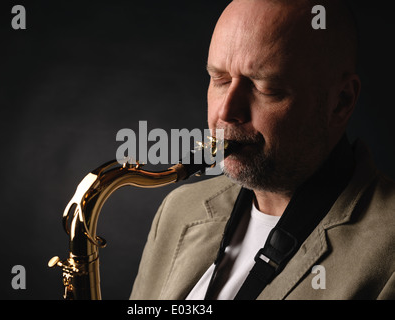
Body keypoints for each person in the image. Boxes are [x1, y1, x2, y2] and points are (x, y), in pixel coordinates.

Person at [130, 0, 395, 300]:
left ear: (341, 101)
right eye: (220, 79)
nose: (227, 112)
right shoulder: (178, 210)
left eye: (265, 87)